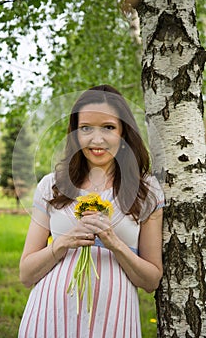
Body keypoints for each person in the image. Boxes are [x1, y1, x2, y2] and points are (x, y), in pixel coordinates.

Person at [18, 84, 164, 338]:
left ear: (124, 132)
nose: (97, 140)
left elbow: (151, 281)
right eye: (86, 128)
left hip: (114, 322)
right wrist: (63, 243)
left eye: (108, 127)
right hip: (48, 319)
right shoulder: (51, 185)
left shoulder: (146, 189)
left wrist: (114, 243)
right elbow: (26, 274)